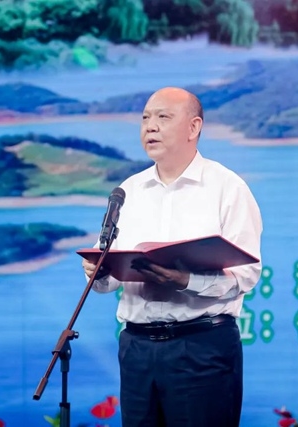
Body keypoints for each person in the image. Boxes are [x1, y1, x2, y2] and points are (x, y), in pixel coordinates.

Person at [82, 86, 263, 427]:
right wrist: (98, 271)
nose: (150, 126)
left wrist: (185, 280)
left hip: (201, 347)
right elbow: (106, 280)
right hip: (137, 348)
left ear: (194, 127)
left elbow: (247, 274)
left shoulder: (227, 188)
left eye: (163, 117)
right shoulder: (128, 191)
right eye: (145, 118)